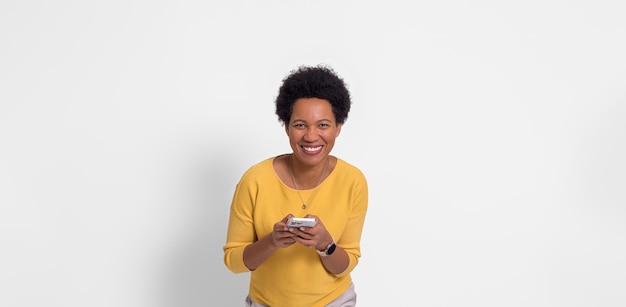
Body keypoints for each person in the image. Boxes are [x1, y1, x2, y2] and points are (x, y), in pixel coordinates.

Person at [223, 65, 369, 307]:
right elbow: (234, 261)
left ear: (338, 128)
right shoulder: (255, 179)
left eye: (323, 125)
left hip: (332, 302)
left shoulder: (352, 181)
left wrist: (326, 244)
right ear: (287, 127)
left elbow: (346, 264)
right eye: (300, 125)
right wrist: (272, 241)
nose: (311, 136)